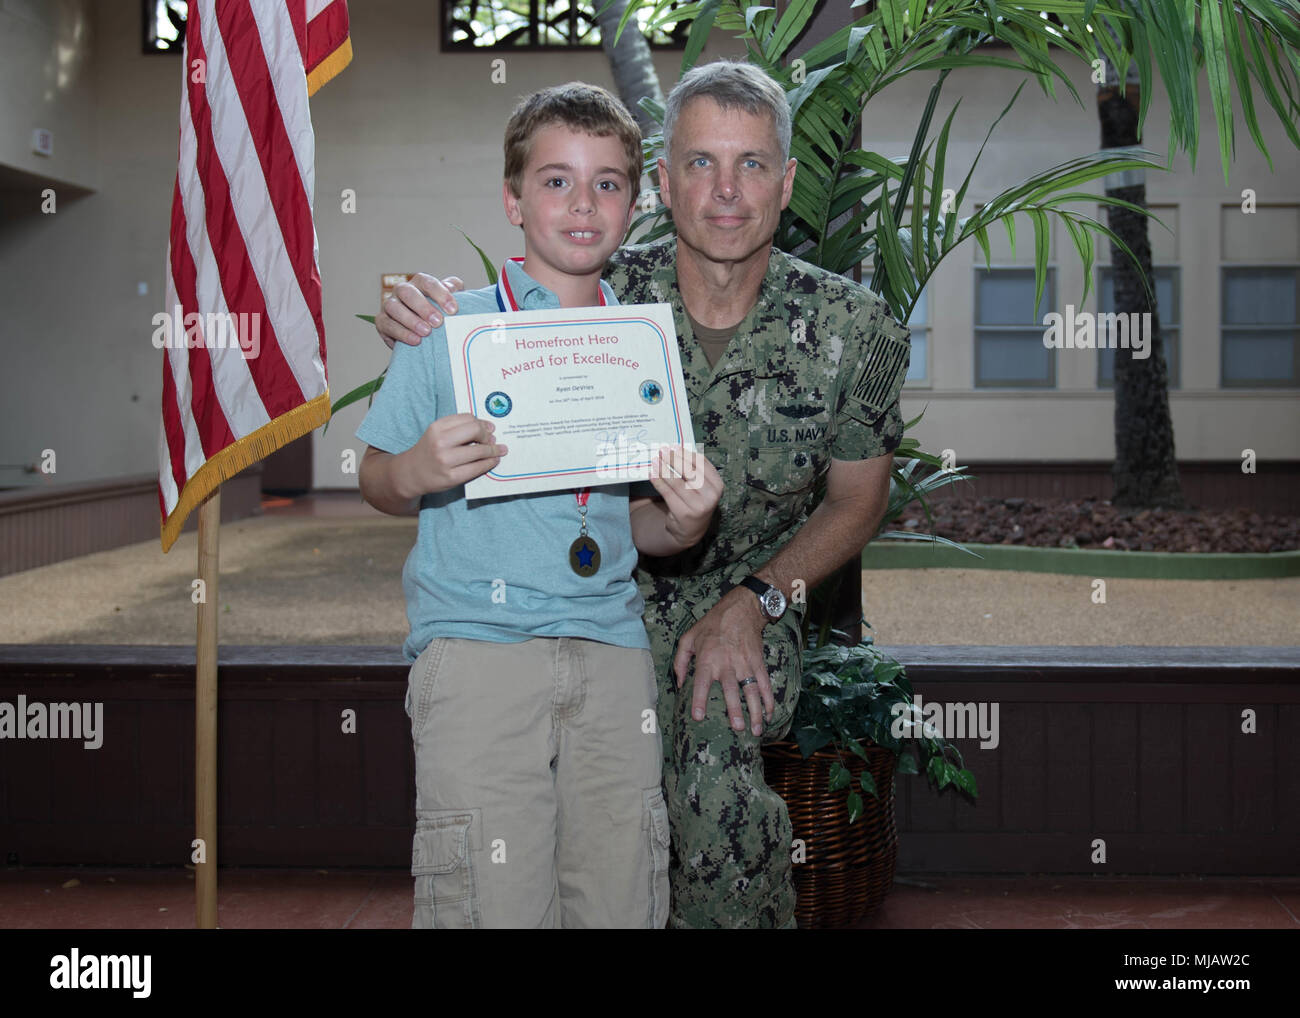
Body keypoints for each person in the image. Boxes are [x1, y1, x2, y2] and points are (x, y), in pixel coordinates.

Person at [375, 61, 910, 929]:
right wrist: (416, 308)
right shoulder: (606, 295)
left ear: (789, 181)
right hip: (601, 601)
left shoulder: (858, 330)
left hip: (747, 601)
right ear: (661, 185)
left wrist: (757, 600)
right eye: (700, 163)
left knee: (707, 793)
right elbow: (491, 321)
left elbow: (858, 502)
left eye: (752, 164)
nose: (727, 192)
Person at [356, 82, 723, 928]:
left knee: (622, 893)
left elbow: (629, 522)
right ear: (513, 198)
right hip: (479, 652)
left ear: (637, 202)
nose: (583, 204)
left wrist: (687, 519)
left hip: (611, 652)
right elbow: (376, 477)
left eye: (608, 183)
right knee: (492, 902)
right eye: (556, 181)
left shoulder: (642, 349)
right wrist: (414, 468)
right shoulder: (447, 329)